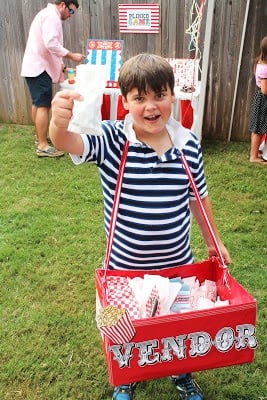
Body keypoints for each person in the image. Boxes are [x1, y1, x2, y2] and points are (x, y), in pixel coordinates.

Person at [49, 54, 231, 400]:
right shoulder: (111, 141)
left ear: (173, 96)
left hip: (177, 265)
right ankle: (127, 376)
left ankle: (181, 372)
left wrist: (213, 243)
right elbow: (66, 142)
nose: (151, 106)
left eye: (159, 95)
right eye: (139, 98)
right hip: (124, 269)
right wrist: (59, 123)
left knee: (178, 327)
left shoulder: (188, 145)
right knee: (125, 329)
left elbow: (198, 198)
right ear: (125, 101)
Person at [21, 0, 85, 158]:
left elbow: (47, 47)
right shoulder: (52, 17)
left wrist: (63, 68)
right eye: (71, 11)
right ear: (62, 5)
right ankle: (43, 146)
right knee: (43, 105)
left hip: (34, 67)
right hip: (40, 68)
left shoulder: (46, 14)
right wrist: (72, 55)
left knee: (37, 103)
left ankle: (40, 138)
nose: (71, 16)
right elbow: (51, 44)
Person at [248, 36, 267, 164]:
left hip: (260, 99)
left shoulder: (258, 62)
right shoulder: (265, 68)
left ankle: (257, 152)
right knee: (258, 130)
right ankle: (253, 156)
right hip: (263, 100)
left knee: (259, 129)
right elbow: (265, 90)